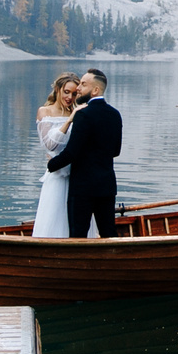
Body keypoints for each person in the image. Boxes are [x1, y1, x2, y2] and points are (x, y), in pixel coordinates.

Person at [46, 67, 122, 238]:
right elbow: (115, 151)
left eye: (83, 84)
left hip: (83, 188)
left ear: (95, 90)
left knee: (78, 235)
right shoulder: (115, 115)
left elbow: (71, 153)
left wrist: (52, 164)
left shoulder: (84, 115)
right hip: (107, 185)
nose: (78, 88)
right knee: (109, 232)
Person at [29, 72, 89, 238]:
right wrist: (70, 119)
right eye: (66, 92)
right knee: (54, 220)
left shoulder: (79, 112)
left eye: (74, 93)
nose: (69, 97)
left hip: (76, 176)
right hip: (56, 175)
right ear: (57, 90)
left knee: (77, 222)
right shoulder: (44, 111)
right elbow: (50, 144)